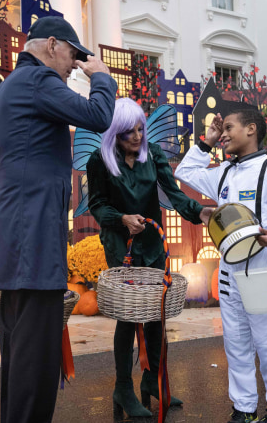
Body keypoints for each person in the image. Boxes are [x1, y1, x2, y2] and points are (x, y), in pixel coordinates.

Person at [0, 16, 117, 423]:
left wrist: (12, 209)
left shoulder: (0, 96)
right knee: (36, 366)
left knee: (19, 363)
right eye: (74, 55)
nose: (76, 64)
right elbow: (98, 115)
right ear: (51, 44)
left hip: (10, 248)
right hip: (35, 247)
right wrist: (102, 76)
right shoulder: (39, 81)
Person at [86, 97, 213, 419]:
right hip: (121, 246)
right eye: (130, 132)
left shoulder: (153, 155)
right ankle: (123, 388)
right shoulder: (99, 160)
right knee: (128, 317)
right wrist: (121, 218)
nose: (138, 137)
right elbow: (98, 204)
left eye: (141, 129)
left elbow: (174, 193)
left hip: (153, 245)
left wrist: (201, 213)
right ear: (116, 132)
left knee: (156, 315)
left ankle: (153, 380)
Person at [176, 109, 267, 423]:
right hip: (228, 273)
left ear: (251, 129)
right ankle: (244, 410)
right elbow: (185, 171)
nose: (224, 134)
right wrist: (205, 143)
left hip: (263, 270)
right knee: (236, 346)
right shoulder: (223, 171)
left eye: (229, 128)